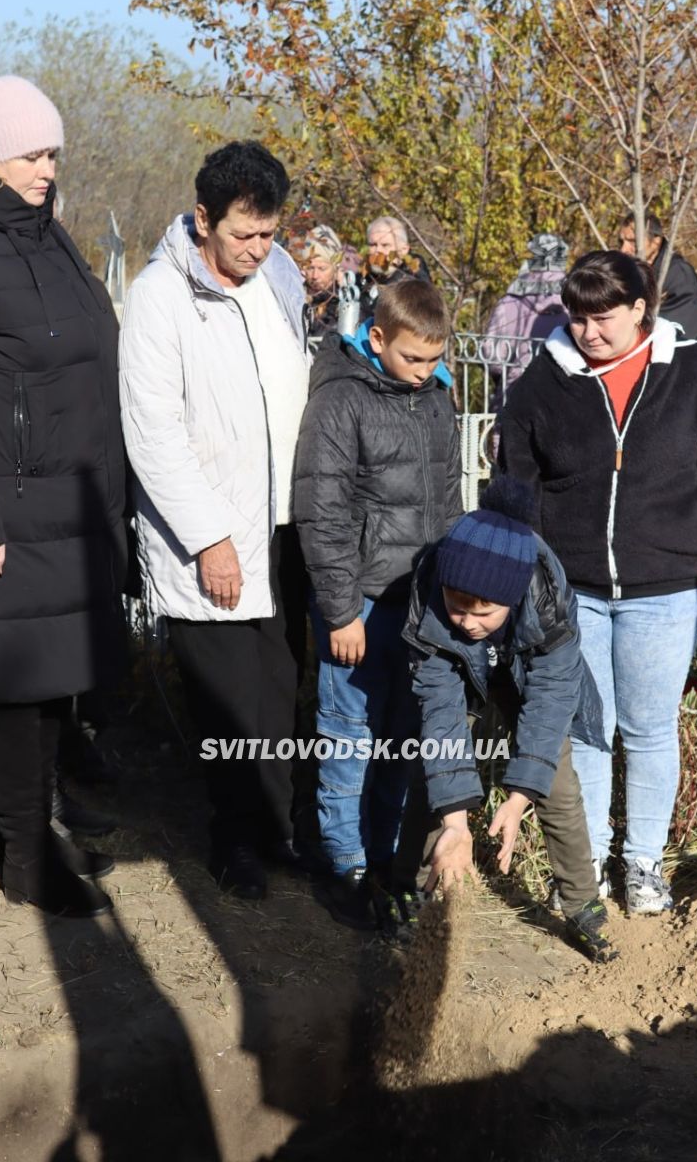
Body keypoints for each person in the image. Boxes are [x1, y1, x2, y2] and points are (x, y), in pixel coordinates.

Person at [499, 250, 697, 912]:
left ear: (642, 309)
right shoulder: (543, 383)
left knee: (647, 729)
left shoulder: (695, 371)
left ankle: (641, 864)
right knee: (588, 728)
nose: (589, 331)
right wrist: (512, 564)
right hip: (573, 586)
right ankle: (582, 864)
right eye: (579, 318)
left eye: (604, 317)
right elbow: (516, 482)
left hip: (665, 587)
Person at [119, 141, 310, 902]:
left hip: (282, 525)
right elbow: (152, 429)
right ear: (203, 219)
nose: (259, 251)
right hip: (211, 539)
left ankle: (276, 829)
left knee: (275, 689)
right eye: (243, 235)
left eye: (268, 234)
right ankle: (233, 842)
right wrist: (209, 536)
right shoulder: (161, 296)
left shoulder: (280, 275)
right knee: (228, 702)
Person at [0, 75, 127, 917]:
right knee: (16, 689)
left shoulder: (44, 232)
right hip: (11, 510)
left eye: (53, 151)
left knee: (58, 679)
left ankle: (47, 816)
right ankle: (25, 858)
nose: (47, 166)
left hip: (72, 501)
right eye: (32, 152)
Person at [294, 279, 462, 929]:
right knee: (348, 735)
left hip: (419, 606)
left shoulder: (439, 400)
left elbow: (448, 505)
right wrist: (339, 611)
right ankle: (345, 862)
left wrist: (449, 600)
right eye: (412, 359)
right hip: (359, 604)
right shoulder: (342, 400)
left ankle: (387, 859)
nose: (424, 374)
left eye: (434, 359)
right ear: (378, 336)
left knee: (402, 737)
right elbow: (322, 507)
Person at [403, 479, 617, 962]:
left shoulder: (548, 599)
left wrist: (518, 799)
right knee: (432, 775)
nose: (467, 623)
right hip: (462, 685)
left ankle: (581, 902)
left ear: (513, 597)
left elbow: (551, 700)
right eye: (457, 607)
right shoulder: (430, 602)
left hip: (531, 685)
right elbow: (440, 714)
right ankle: (426, 896)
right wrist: (457, 823)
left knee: (557, 786)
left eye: (484, 613)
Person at [483, 232, 570, 403]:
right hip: (563, 395)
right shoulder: (573, 302)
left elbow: (493, 357)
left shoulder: (509, 302)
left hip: (514, 395)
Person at [618, 213, 697, 340]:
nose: (623, 249)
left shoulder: (678, 274)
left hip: (683, 353)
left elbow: (681, 329)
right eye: (621, 241)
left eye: (632, 241)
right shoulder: (630, 273)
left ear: (656, 241)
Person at [359, 216, 433, 320]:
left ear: (403, 250)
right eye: (373, 245)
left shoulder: (414, 290)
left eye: (385, 245)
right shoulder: (361, 281)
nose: (378, 250)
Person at [301, 224, 343, 336]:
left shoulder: (344, 303)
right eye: (310, 268)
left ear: (336, 269)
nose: (315, 275)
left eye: (322, 268)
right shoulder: (296, 296)